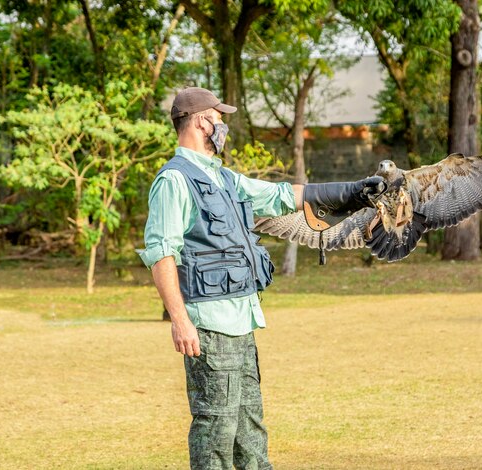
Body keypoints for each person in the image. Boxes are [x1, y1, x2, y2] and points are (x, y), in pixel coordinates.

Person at [140, 87, 385, 469]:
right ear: (202, 121)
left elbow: (283, 195)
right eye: (219, 119)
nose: (223, 127)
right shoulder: (174, 181)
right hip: (209, 326)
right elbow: (161, 254)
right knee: (216, 432)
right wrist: (180, 320)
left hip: (242, 320)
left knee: (250, 431)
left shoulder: (224, 179)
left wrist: (353, 192)